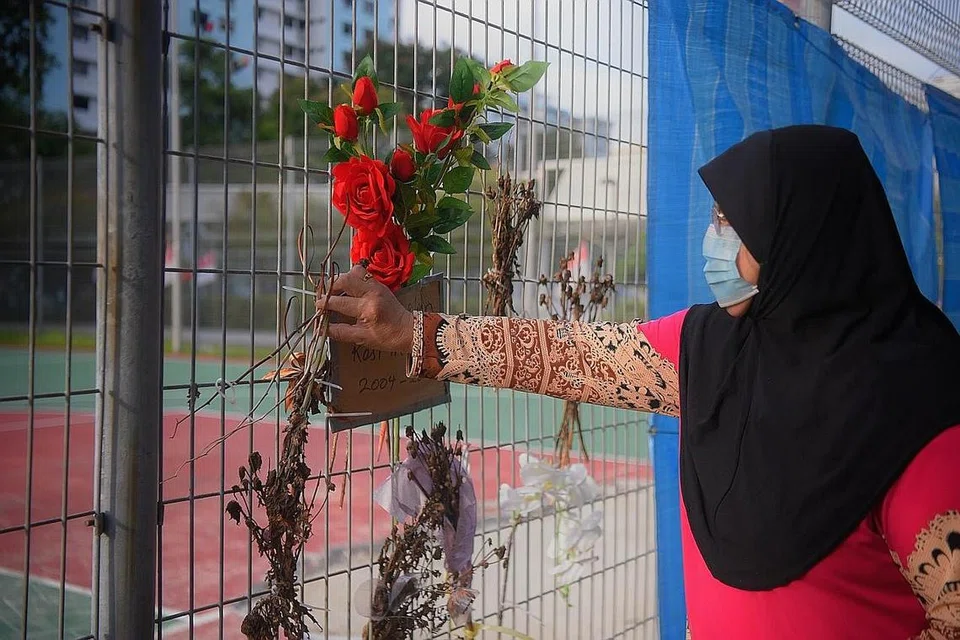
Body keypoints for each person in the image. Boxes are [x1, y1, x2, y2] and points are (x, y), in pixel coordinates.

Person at [319, 125, 960, 638]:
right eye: (714, 219)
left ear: (804, 236)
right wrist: (416, 335)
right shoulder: (707, 348)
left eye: (735, 224)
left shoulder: (918, 409)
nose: (714, 239)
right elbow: (566, 356)